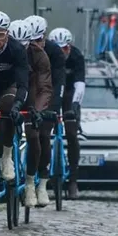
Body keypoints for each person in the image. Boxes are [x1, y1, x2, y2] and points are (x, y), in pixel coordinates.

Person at [0, 12, 29, 184]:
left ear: (7, 34)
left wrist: (18, 105)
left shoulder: (16, 50)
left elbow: (23, 83)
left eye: (0, 34)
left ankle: (6, 156)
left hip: (8, 87)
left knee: (8, 107)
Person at [24, 15, 64, 207]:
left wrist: (53, 109)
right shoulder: (23, 49)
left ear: (45, 36)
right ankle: (27, 182)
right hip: (27, 93)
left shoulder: (54, 52)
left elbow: (56, 84)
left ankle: (42, 182)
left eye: (39, 40)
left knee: (43, 135)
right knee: (31, 136)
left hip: (46, 94)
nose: (35, 44)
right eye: (31, 41)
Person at [14, 18, 53, 208]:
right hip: (10, 94)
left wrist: (37, 110)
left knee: (35, 137)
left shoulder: (40, 55)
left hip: (31, 97)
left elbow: (45, 87)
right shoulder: (2, 50)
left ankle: (32, 183)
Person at [48, 27, 86, 199]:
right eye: (58, 48)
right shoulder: (47, 54)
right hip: (51, 91)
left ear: (69, 47)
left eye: (65, 48)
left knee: (71, 133)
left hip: (70, 93)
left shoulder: (77, 56)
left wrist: (75, 106)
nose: (62, 52)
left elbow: (80, 84)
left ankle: (73, 180)